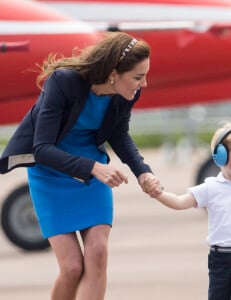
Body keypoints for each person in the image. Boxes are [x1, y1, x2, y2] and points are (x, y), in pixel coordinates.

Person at [0, 32, 161, 300]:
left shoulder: (127, 93)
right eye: (137, 76)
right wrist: (93, 168)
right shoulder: (64, 82)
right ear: (113, 73)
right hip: (51, 171)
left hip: (93, 173)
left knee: (98, 253)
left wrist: (143, 171)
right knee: (72, 267)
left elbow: (119, 134)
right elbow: (42, 149)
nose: (144, 83)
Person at [145, 117, 231, 300]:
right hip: (220, 261)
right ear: (221, 156)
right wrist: (158, 194)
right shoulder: (210, 188)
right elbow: (180, 202)